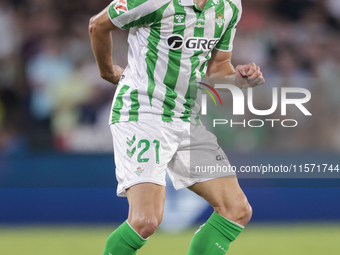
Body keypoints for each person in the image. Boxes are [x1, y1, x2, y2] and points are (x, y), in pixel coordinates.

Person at [89, 0, 265, 254]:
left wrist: (239, 78)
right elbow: (97, 25)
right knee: (145, 221)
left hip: (185, 117)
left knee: (236, 209)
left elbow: (217, 67)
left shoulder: (229, 6)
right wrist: (107, 72)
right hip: (143, 113)